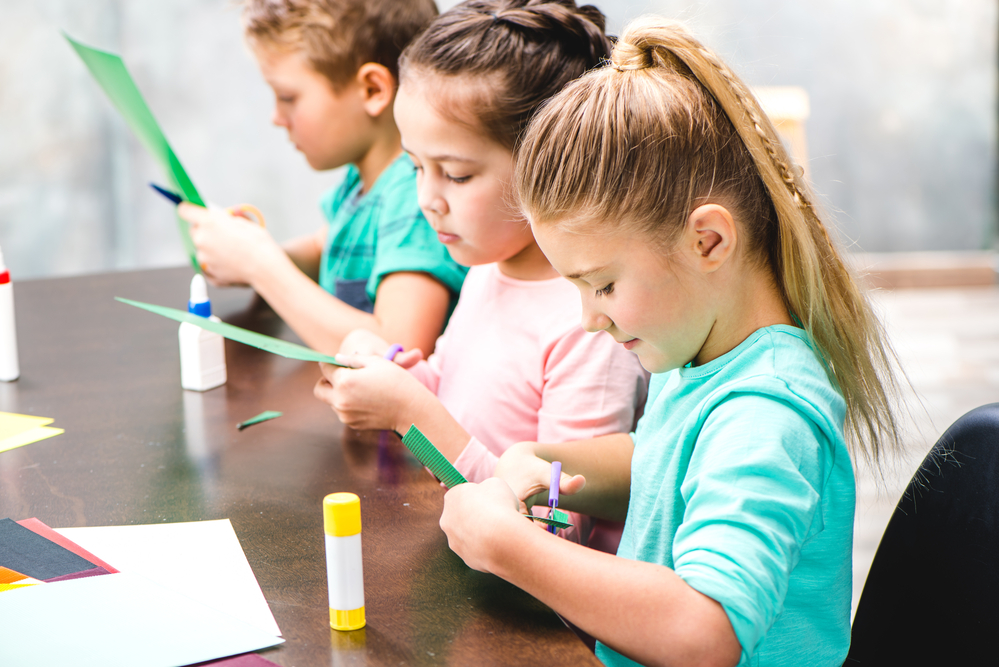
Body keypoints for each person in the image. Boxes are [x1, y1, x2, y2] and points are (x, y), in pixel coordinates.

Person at [437, 18, 904, 667]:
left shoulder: (768, 410)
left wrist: (509, 548)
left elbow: (703, 628)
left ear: (707, 240)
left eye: (600, 284)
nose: (587, 319)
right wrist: (540, 463)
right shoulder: (696, 350)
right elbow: (668, 460)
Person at [313, 0, 648, 549]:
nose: (427, 200)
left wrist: (410, 412)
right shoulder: (488, 268)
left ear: (551, 166)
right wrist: (388, 375)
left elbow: (558, 527)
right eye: (416, 167)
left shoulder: (590, 325)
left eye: (457, 174)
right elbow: (460, 400)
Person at [178, 0, 467, 357]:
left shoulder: (417, 198)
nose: (276, 117)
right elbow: (327, 247)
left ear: (373, 90)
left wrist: (261, 265)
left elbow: (396, 348)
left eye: (288, 97)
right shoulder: (363, 181)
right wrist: (248, 252)